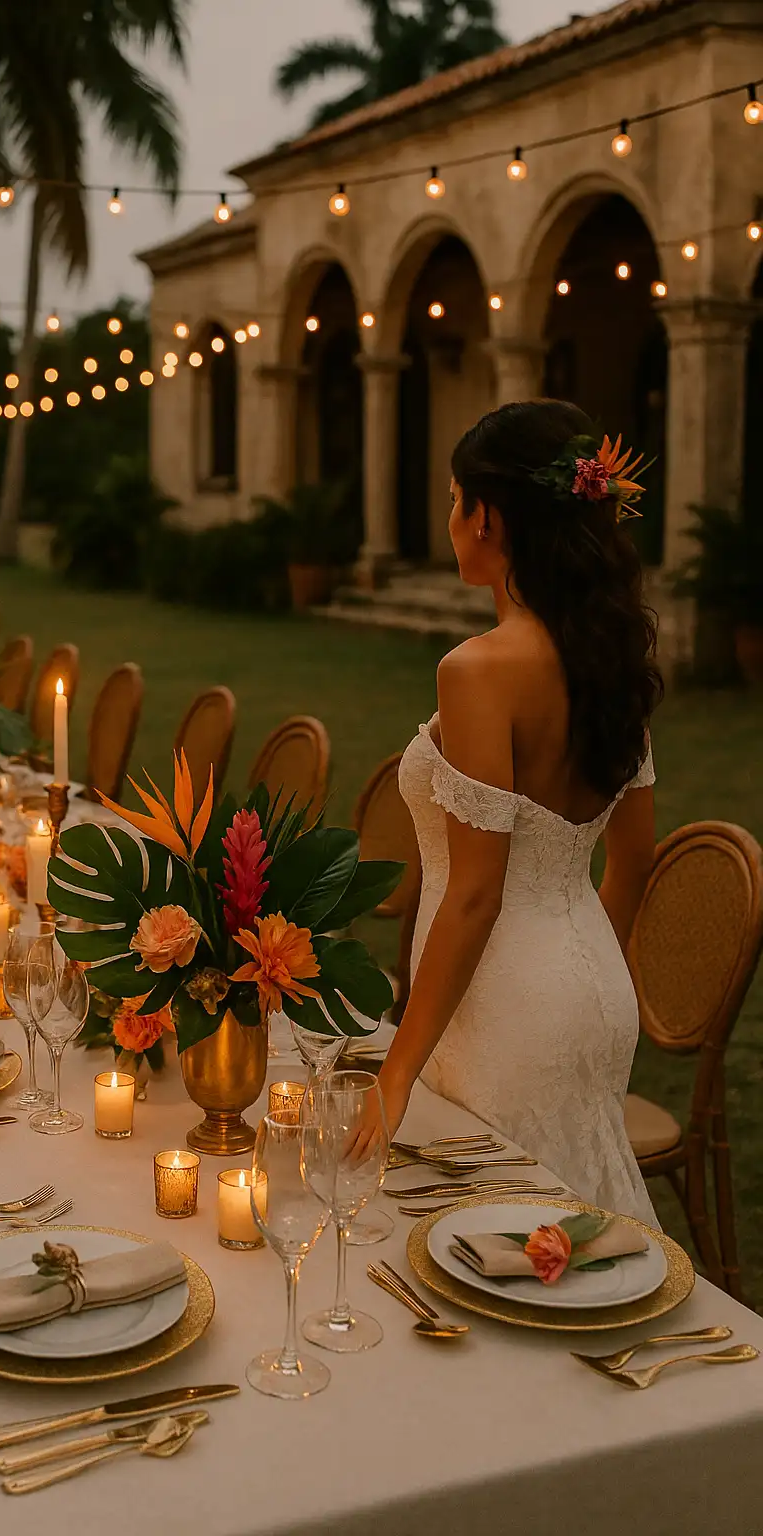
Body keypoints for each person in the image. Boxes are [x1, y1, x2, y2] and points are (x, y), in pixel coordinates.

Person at [374, 399, 662, 1224]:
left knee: (492, 1242)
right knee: (571, 1242)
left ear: (488, 516)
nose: (452, 518)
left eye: (456, 497)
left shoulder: (477, 670)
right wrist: (577, 965)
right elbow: (633, 859)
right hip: (596, 995)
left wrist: (394, 1074)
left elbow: (474, 893)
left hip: (502, 1004)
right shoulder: (609, 656)